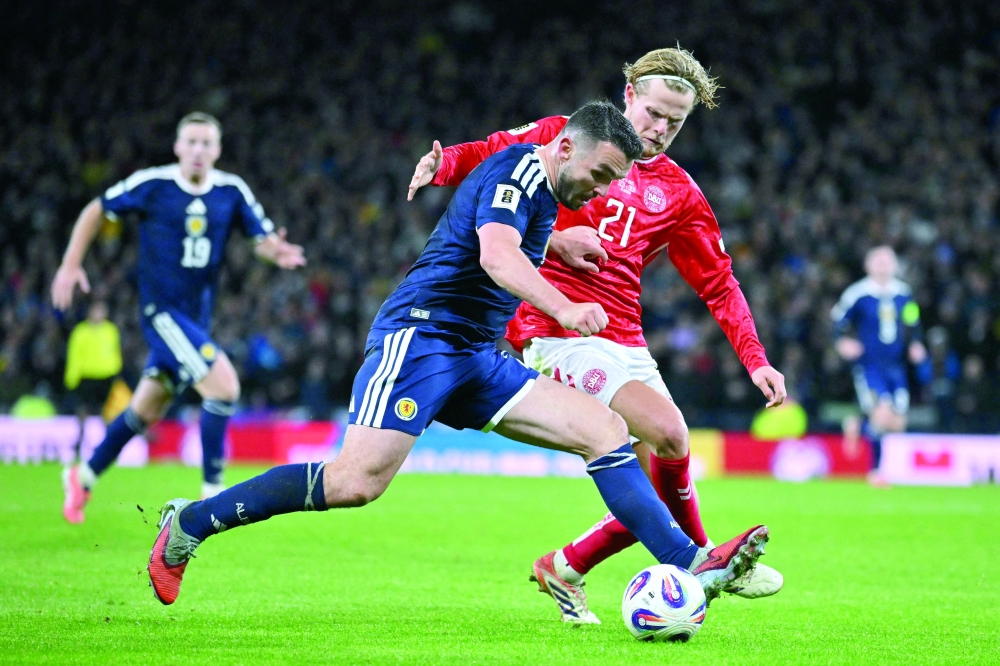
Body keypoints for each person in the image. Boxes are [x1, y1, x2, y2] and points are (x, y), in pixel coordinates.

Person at [146, 101, 769, 609]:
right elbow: (496, 256)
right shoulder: (519, 169)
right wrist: (565, 308)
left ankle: (690, 563)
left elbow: (499, 232)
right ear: (564, 148)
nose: (604, 191)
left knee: (605, 430)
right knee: (355, 484)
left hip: (477, 353)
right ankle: (191, 523)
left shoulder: (549, 194)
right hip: (420, 339)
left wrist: (555, 240)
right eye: (601, 175)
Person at [408, 47, 785, 624]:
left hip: (625, 340)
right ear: (629, 94)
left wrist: (754, 358)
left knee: (663, 466)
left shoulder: (679, 194)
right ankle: (704, 561)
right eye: (654, 113)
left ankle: (565, 566)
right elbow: (493, 153)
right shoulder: (567, 136)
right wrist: (446, 165)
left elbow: (718, 282)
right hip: (554, 327)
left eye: (675, 122)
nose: (660, 129)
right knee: (669, 431)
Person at [52, 112, 306, 523]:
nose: (199, 150)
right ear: (177, 147)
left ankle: (82, 477)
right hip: (161, 315)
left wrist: (273, 251)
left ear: (218, 151)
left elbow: (260, 239)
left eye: (207, 143)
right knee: (223, 387)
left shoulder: (231, 191)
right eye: (191, 142)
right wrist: (69, 264)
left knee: (144, 411)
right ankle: (212, 500)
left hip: (194, 321)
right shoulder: (153, 184)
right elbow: (97, 208)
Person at [832, 245, 926, 486]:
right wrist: (842, 341)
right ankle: (875, 472)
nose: (883, 266)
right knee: (882, 412)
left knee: (898, 423)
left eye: (887, 262)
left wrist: (915, 343)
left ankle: (857, 423)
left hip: (895, 366)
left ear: (895, 266)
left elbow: (913, 319)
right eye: (878, 262)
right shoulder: (858, 293)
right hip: (869, 365)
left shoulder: (903, 293)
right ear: (868, 266)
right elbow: (837, 320)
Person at [63, 299, 122, 488]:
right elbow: (74, 354)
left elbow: (114, 352)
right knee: (83, 413)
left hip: (105, 377)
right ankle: (79, 447)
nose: (99, 314)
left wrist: (115, 370)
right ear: (90, 312)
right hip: (86, 377)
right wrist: (72, 377)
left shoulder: (110, 330)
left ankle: (107, 451)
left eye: (101, 310)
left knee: (107, 414)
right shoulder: (80, 331)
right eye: (96, 310)